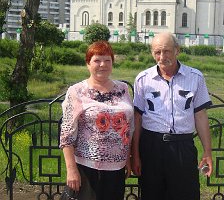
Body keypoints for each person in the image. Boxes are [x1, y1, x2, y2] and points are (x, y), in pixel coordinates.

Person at [131, 32, 213, 200]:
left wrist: (207, 152)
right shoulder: (143, 79)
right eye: (157, 52)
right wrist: (136, 154)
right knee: (152, 194)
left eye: (167, 51)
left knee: (186, 194)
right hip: (152, 147)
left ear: (177, 50)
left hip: (182, 147)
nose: (162, 56)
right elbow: (137, 119)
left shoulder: (195, 77)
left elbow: (200, 116)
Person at [60, 41, 134, 200]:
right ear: (88, 64)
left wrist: (128, 158)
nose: (103, 65)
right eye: (97, 60)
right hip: (87, 168)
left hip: (117, 168)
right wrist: (71, 169)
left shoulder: (122, 89)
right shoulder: (77, 91)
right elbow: (66, 134)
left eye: (107, 60)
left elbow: (129, 128)